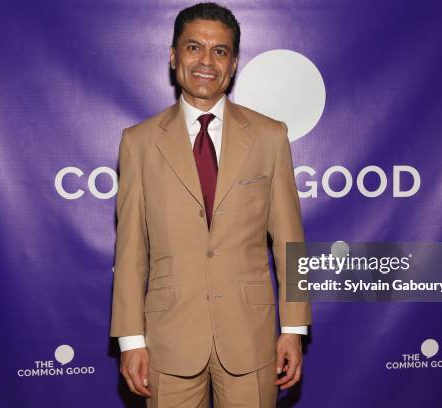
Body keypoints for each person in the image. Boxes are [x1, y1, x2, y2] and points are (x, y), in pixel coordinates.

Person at [110, 2, 311, 406]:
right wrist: (131, 339)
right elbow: (131, 248)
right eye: (194, 47)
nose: (206, 61)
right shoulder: (139, 142)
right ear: (173, 56)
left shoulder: (270, 137)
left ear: (233, 63)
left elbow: (291, 241)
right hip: (168, 342)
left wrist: (293, 327)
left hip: (250, 340)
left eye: (220, 51)